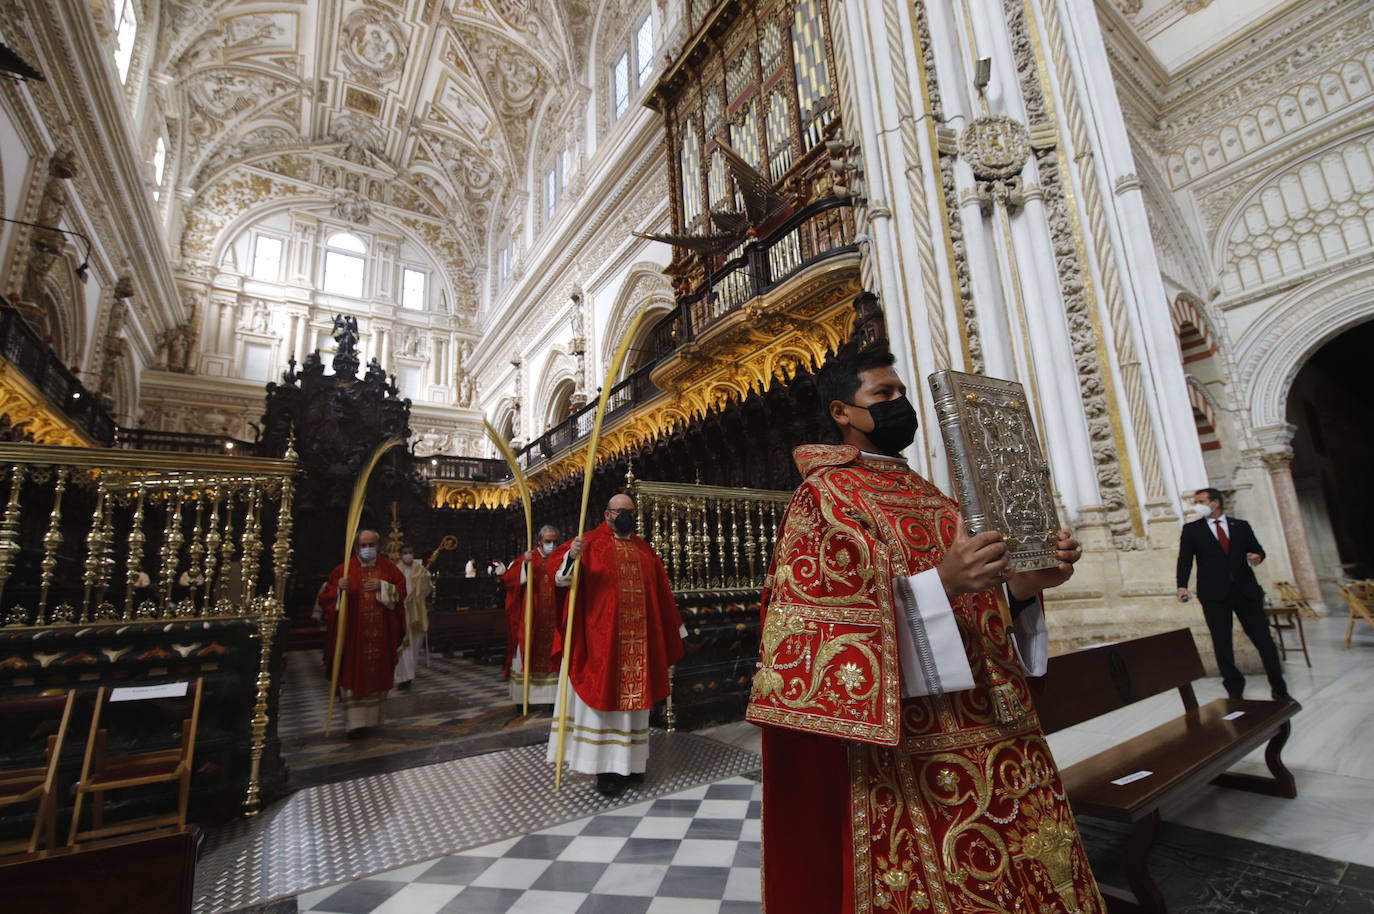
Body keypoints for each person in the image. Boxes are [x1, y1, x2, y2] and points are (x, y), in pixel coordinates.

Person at [746, 349, 1103, 913]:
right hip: (919, 747)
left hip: (999, 729)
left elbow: (983, 605)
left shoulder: (932, 495)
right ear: (842, 412)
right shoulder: (825, 498)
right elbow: (825, 632)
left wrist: (1026, 587)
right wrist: (944, 582)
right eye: (882, 397)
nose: (900, 405)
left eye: (900, 393)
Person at [546, 494, 685, 797]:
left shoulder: (644, 549)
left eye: (629, 511)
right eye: (619, 511)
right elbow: (559, 579)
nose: (625, 515)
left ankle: (632, 764)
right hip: (601, 642)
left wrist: (673, 627)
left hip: (638, 644)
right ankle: (605, 769)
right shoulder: (589, 543)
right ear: (607, 514)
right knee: (604, 704)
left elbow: (660, 590)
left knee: (635, 711)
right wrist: (571, 556)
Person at [1176, 487, 1293, 701]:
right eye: (1196, 501)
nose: (1197, 505)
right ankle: (1234, 689)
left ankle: (1279, 688)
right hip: (1213, 594)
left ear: (1216, 502)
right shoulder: (1192, 529)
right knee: (1222, 642)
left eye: (1201, 500)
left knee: (1264, 640)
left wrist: (1257, 557)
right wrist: (1181, 586)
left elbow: (1258, 550)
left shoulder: (1240, 526)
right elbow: (1185, 560)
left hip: (1245, 591)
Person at [318, 529, 408, 737]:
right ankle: (355, 724)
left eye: (371, 545)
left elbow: (402, 593)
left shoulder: (389, 568)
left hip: (380, 636)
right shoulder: (344, 569)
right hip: (353, 638)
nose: (367, 549)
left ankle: (373, 721)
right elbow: (326, 601)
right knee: (352, 674)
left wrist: (383, 587)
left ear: (379, 546)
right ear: (356, 547)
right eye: (363, 545)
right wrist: (338, 590)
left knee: (377, 677)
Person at [501, 525, 563, 706]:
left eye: (554, 541)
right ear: (539, 541)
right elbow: (508, 580)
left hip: (553, 618)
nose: (551, 545)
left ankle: (552, 698)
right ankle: (525, 698)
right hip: (532, 618)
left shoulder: (559, 559)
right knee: (528, 650)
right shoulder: (528, 558)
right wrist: (525, 567)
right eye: (548, 541)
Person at [393, 545, 434, 693]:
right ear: (400, 555)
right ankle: (403, 677)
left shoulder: (420, 570)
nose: (408, 555)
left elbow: (427, 589)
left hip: (417, 611)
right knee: (403, 645)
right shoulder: (395, 570)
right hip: (402, 611)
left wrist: (424, 580)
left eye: (410, 553)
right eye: (405, 553)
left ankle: (410, 675)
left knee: (415, 645)